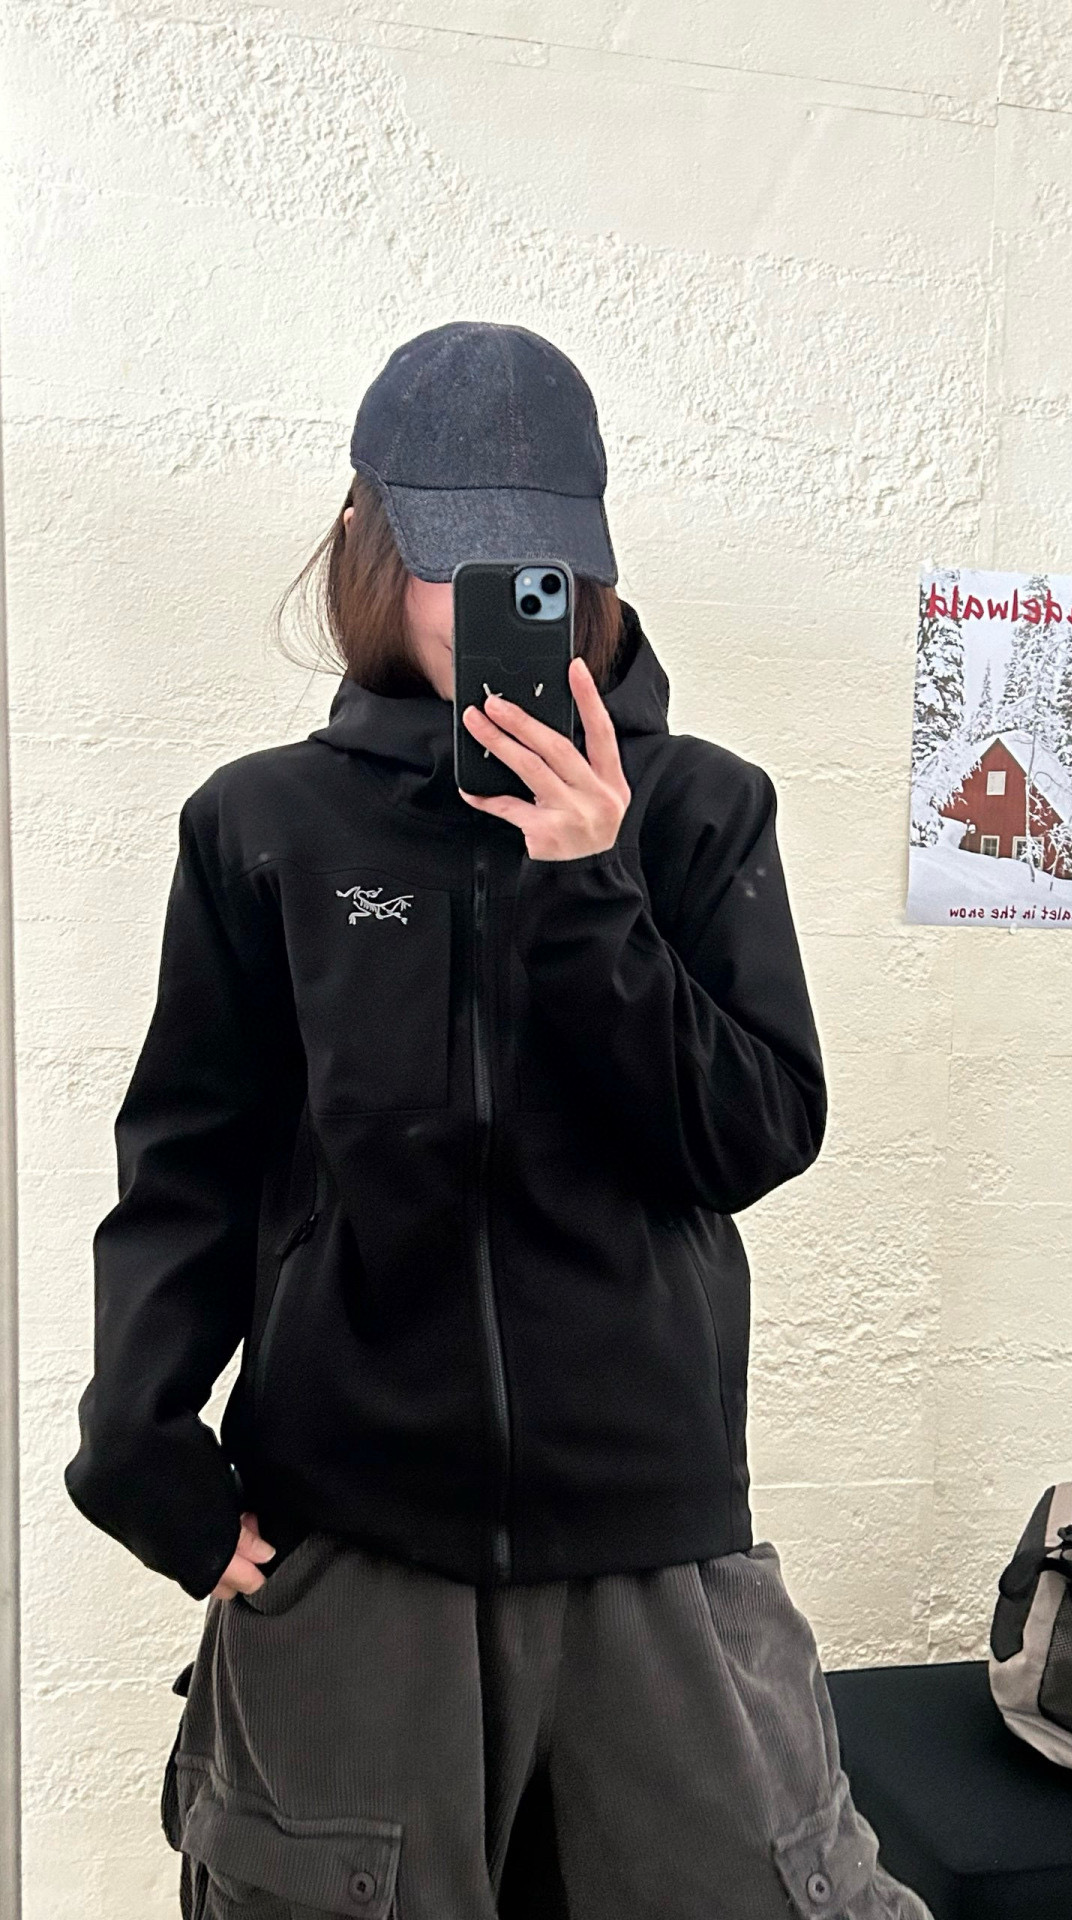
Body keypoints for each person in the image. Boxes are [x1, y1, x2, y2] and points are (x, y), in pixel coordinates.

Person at [64, 321, 933, 1920]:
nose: (492, 598)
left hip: (655, 1548)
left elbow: (751, 1134)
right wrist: (136, 1434)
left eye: (534, 565)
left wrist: (589, 885)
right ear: (363, 537)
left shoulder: (699, 808)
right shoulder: (263, 825)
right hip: (350, 1543)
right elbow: (189, 1159)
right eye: (452, 557)